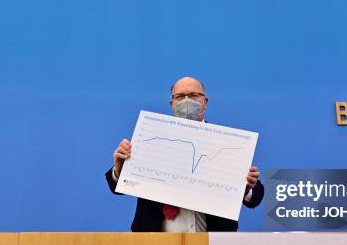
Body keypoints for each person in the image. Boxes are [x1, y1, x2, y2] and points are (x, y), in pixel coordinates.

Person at [105, 76, 264, 232]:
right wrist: (119, 170)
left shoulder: (225, 144)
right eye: (180, 96)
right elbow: (117, 188)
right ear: (172, 104)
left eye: (194, 96)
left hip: (214, 244)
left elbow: (255, 197)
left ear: (205, 102)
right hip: (154, 243)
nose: (187, 101)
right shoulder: (150, 136)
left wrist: (245, 187)